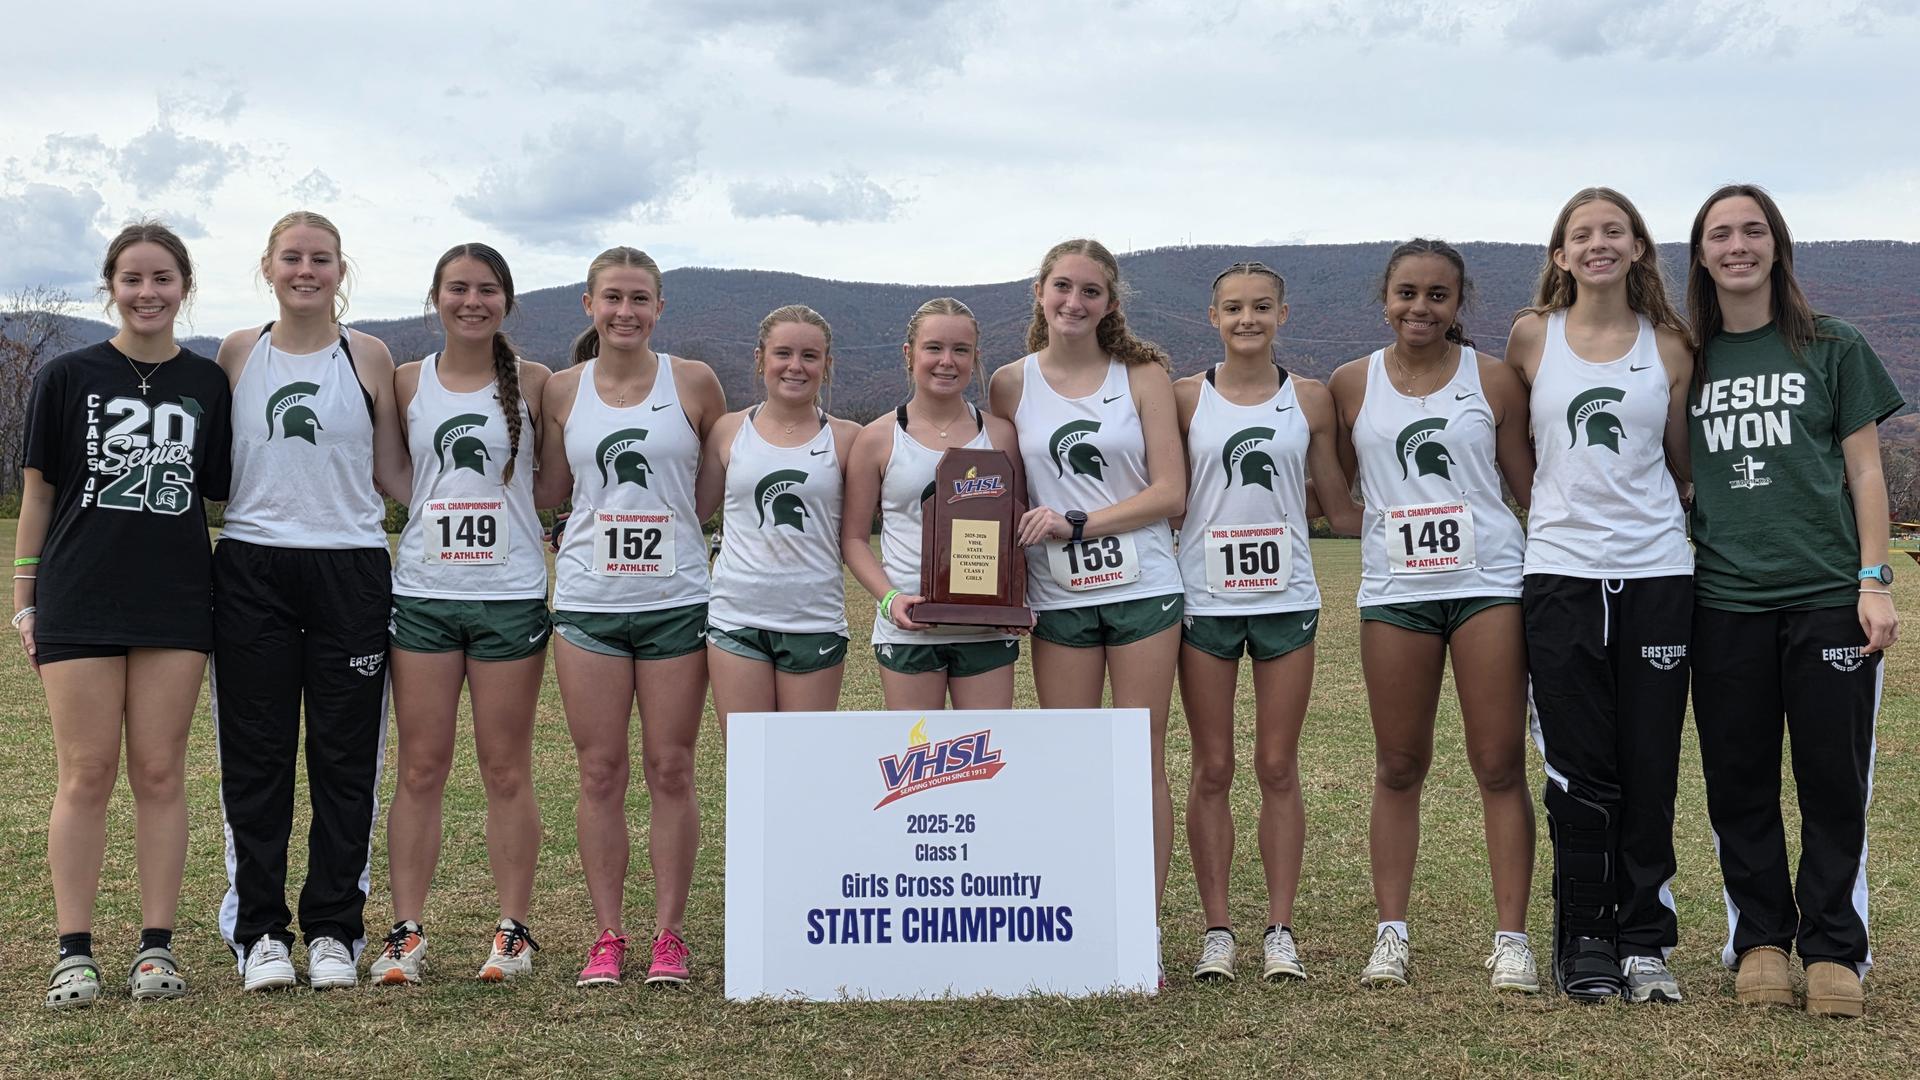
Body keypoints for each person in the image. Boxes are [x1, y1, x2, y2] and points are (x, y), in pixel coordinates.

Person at [1685, 184, 1901, 1018]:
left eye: (1752, 230)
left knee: (1832, 780)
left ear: (1777, 244)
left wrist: (1874, 580)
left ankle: (1835, 951)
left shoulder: (1832, 346)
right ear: (1700, 255)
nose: (1737, 245)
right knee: (1737, 779)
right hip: (1723, 601)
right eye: (1719, 234)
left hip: (1826, 599)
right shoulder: (1686, 355)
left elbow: (1866, 472)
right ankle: (1763, 943)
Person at [16, 221, 232, 1007]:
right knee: (86, 772)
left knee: (159, 770)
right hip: (78, 597)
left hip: (176, 601)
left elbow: (214, 491)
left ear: (184, 287)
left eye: (163, 279)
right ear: (111, 284)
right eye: (133, 278)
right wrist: (24, 602)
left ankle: (156, 950)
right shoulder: (68, 376)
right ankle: (74, 951)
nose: (148, 293)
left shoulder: (208, 384)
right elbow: (39, 495)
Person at [1328, 238, 1539, 993]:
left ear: (1459, 304)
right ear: (1385, 299)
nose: (1421, 307)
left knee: (1498, 764)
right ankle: (1391, 934)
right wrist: (1385, 525)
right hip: (1396, 594)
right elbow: (1333, 495)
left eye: (1438, 295)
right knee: (1398, 764)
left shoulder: (1495, 380)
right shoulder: (1350, 384)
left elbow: (1526, 487)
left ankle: (1511, 939)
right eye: (1407, 293)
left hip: (1489, 586)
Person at [211, 210, 409, 991]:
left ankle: (333, 930)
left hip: (350, 569)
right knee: (256, 759)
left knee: (344, 760)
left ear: (340, 270)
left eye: (320, 258)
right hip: (253, 569)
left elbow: (394, 472)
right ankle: (259, 932)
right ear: (267, 266)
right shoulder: (237, 352)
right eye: (291, 257)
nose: (306, 270)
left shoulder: (369, 356)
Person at [1505, 188, 1695, 1003]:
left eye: (1613, 231)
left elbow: (1681, 464)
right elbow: (1518, 454)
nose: (1598, 244)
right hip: (1559, 577)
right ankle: (1583, 935)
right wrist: (1555, 517)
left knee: (1649, 766)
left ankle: (1645, 940)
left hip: (1658, 575)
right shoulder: (1530, 337)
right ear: (1560, 254)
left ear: (1640, 248)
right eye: (1581, 234)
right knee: (1579, 768)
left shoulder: (1673, 345)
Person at [988, 239, 1186, 974]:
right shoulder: (1009, 384)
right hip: (1057, 597)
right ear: (1040, 292)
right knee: (1071, 761)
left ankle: (1144, 931)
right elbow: (995, 486)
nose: (1075, 302)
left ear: (1111, 303)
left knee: (1139, 761)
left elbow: (1171, 491)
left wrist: (1079, 523)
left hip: (1142, 586)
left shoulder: (1142, 376)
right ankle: (1079, 922)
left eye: (1092, 291)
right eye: (1063, 287)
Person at [536, 247, 727, 988]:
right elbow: (554, 485)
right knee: (600, 770)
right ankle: (609, 935)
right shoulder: (560, 390)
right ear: (588, 304)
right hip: (588, 603)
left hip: (677, 601)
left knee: (671, 768)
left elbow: (705, 493)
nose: (625, 311)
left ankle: (670, 937)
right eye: (612, 298)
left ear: (659, 308)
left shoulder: (695, 382)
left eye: (640, 299)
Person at [370, 243, 552, 986]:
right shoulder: (409, 380)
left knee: (505, 769)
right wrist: (439, 513)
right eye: (457, 289)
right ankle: (406, 933)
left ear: (507, 300)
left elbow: (556, 478)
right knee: (420, 767)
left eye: (486, 290)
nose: (471, 301)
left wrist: (503, 518)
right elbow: (390, 469)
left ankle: (513, 932)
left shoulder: (539, 383)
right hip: (424, 594)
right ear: (436, 297)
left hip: (509, 594)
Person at [1175, 262, 1359, 982]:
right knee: (1213, 767)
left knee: (1278, 766)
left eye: (1260, 307)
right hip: (1204, 602)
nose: (1246, 319)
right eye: (1232, 308)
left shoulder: (1309, 399)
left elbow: (1340, 506)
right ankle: (1217, 930)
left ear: (1284, 313)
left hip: (1287, 598)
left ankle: (1280, 929)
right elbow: (1164, 488)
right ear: (1211, 317)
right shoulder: (1184, 397)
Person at [841, 298, 1024, 710]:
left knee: (983, 762)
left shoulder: (1000, 435)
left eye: (961, 350)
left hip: (985, 630)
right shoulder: (877, 438)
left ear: (975, 356)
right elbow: (853, 538)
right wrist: (889, 599)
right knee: (919, 765)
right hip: (910, 628)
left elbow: (1016, 532)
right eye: (934, 348)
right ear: (910, 354)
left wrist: (1016, 600)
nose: (947, 361)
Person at [702, 305, 862, 724]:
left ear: (827, 365)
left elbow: (879, 524)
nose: (795, 366)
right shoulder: (727, 430)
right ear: (760, 359)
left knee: (801, 768)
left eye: (810, 356)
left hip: (814, 620)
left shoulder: (848, 439)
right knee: (748, 764)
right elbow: (691, 512)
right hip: (736, 618)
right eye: (783, 354)